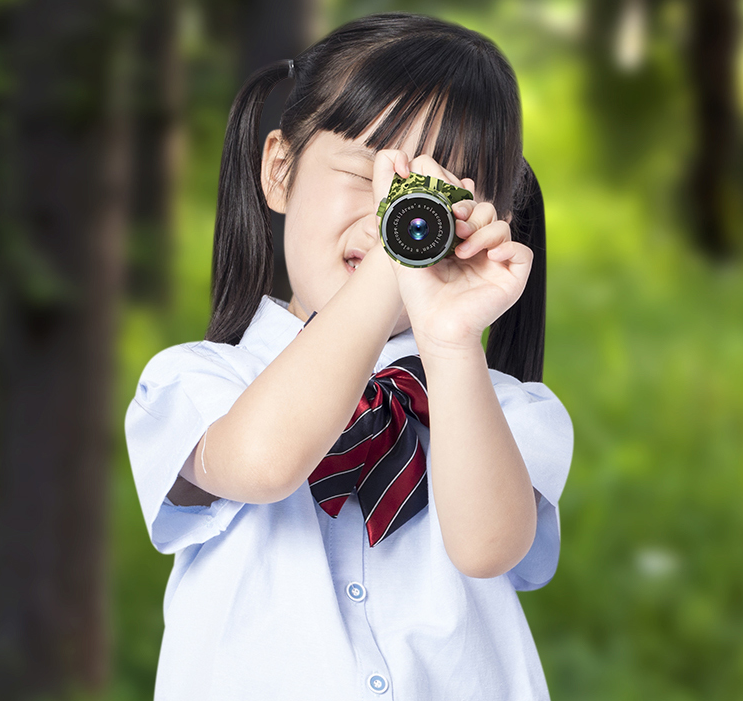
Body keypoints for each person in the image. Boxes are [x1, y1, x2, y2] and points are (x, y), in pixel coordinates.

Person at [125, 12, 572, 700]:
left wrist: (450, 340)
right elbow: (263, 463)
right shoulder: (194, 380)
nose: (399, 215)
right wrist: (389, 265)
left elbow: (487, 548)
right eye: (372, 178)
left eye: (436, 202)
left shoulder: (510, 408)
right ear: (280, 169)